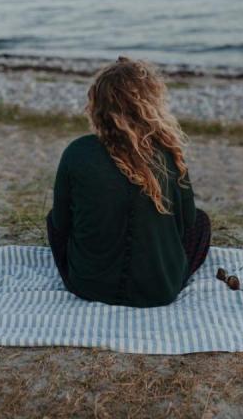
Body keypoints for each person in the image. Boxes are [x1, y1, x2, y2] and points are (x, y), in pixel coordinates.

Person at [46, 56, 211, 307]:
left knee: (54, 221)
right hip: (160, 290)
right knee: (201, 223)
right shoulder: (169, 153)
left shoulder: (77, 152)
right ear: (151, 105)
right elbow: (188, 222)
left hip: (88, 286)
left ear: (97, 105)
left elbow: (60, 223)